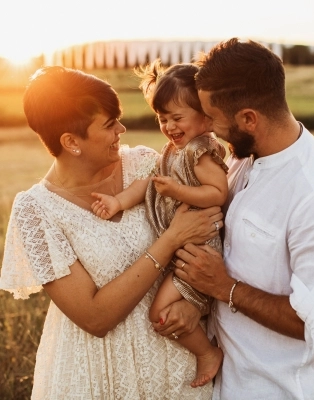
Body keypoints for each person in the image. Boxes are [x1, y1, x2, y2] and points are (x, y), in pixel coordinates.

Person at [0, 66, 224, 399]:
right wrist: (170, 239)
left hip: (177, 366)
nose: (121, 128)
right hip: (96, 374)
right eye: (108, 124)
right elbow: (94, 318)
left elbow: (210, 233)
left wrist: (196, 304)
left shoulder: (148, 165)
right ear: (71, 142)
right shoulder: (35, 212)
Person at [171, 38, 314, 399]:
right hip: (223, 384)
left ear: (248, 119)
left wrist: (223, 287)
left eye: (212, 117)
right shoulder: (244, 158)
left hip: (274, 390)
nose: (208, 127)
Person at [90, 60, 226, 388]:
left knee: (159, 313)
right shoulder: (171, 151)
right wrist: (118, 202)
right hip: (180, 247)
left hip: (198, 248)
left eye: (177, 118)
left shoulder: (200, 153)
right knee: (167, 310)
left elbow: (218, 192)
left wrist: (179, 190)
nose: (168, 126)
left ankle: (208, 353)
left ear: (206, 117)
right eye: (162, 119)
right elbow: (148, 184)